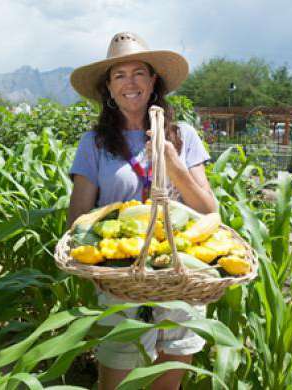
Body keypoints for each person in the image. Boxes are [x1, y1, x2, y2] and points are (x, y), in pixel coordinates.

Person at [66, 32, 217, 390]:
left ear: (153, 82)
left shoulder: (184, 136)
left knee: (167, 382)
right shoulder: (95, 143)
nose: (130, 82)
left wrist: (172, 162)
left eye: (138, 73)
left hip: (179, 272)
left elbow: (210, 211)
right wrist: (102, 261)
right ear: (108, 88)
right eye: (119, 75)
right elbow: (77, 218)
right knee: (115, 380)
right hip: (118, 275)